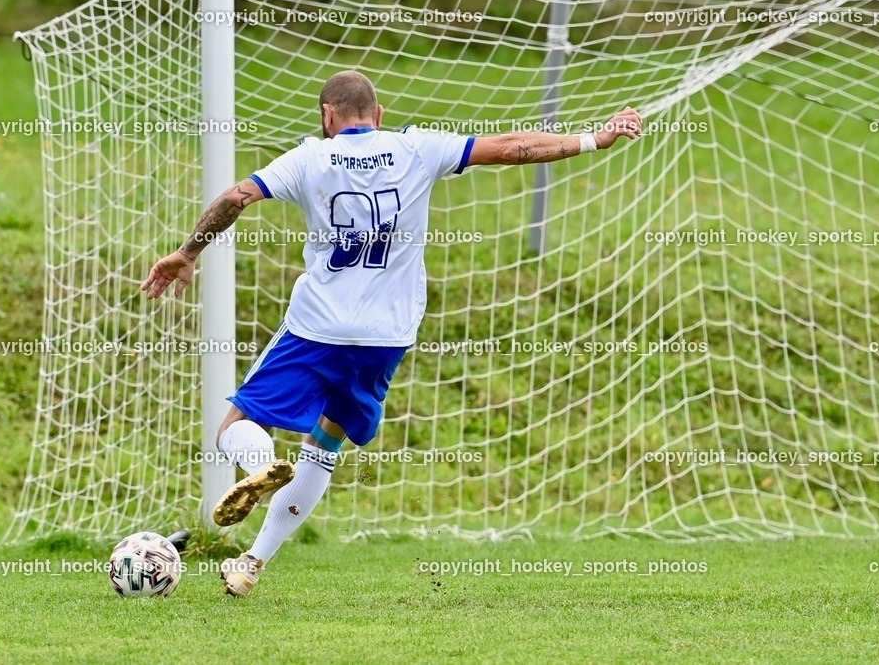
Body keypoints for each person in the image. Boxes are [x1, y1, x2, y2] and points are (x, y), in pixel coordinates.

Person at [142, 71, 642, 597]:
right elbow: (513, 147)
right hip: (387, 336)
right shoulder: (417, 148)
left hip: (318, 327)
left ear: (327, 116)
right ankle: (251, 565)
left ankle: (263, 465)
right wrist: (595, 138)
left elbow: (234, 199)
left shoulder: (309, 158)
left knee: (235, 426)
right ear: (378, 115)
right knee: (325, 444)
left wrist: (188, 252)